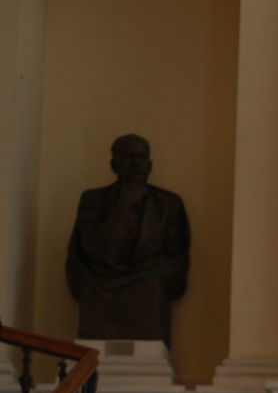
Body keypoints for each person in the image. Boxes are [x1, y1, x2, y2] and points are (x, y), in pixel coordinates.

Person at [65, 134, 190, 345]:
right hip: (99, 281)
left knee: (149, 289)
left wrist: (149, 271)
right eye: (129, 157)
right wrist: (125, 204)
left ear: (150, 164)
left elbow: (175, 257)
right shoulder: (93, 200)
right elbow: (95, 251)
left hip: (147, 281)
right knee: (91, 290)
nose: (137, 163)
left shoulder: (169, 203)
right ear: (114, 164)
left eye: (142, 157)